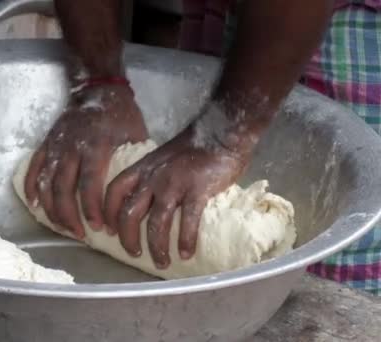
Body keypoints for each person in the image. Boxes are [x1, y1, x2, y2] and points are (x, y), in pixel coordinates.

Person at [25, 0, 381, 294]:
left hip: (333, 25)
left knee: (332, 287)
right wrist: (99, 83)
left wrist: (222, 136)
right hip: (223, 12)